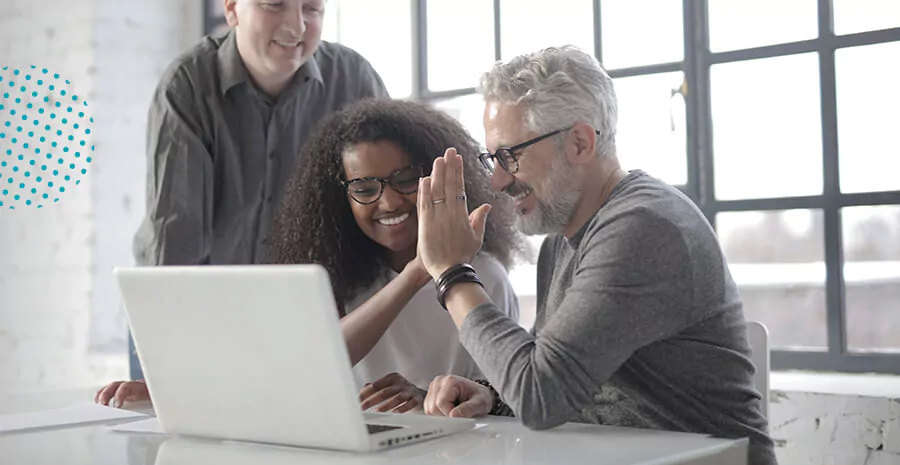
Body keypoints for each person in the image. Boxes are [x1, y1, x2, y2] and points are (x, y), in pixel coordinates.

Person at [411, 46, 778, 465]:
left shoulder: (645, 226)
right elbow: (560, 380)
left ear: (581, 142)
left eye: (510, 156)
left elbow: (540, 397)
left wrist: (453, 273)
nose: (496, 180)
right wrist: (494, 396)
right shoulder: (563, 238)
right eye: (492, 158)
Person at [95, 0, 388, 405]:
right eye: (275, 5)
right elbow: (175, 247)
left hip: (307, 321)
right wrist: (172, 372)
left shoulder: (354, 81)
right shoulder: (188, 85)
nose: (296, 25)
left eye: (312, 8)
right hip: (189, 310)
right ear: (232, 9)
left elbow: (383, 213)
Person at [266, 98, 526, 412]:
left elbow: (501, 399)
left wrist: (425, 397)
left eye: (405, 181)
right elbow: (310, 367)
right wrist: (416, 272)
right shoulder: (334, 277)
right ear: (340, 200)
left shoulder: (482, 275)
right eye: (364, 190)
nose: (389, 203)